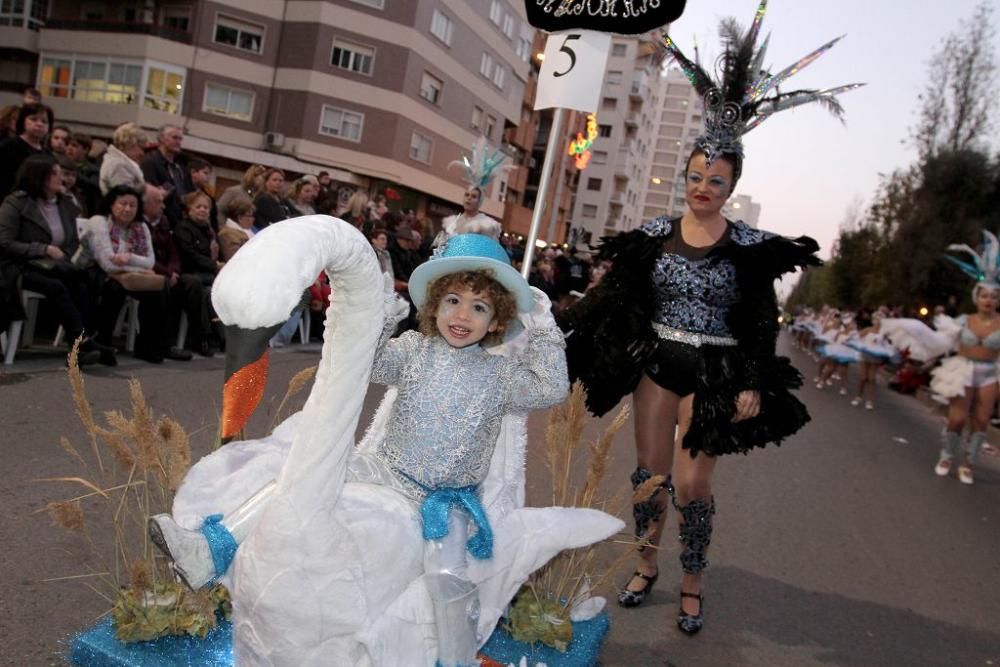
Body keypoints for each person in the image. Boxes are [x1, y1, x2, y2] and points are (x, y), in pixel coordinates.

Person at [147, 223, 619, 665]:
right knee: (294, 483)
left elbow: (551, 390)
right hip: (385, 470)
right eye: (453, 300)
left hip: (445, 501)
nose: (463, 316)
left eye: (480, 308)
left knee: (451, 585)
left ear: (496, 321)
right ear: (433, 305)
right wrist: (378, 325)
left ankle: (454, 657)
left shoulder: (500, 374)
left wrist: (544, 331)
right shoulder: (414, 350)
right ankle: (211, 546)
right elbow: (370, 365)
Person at [559, 4, 855, 634]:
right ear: (686, 177)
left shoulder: (748, 247)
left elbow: (760, 322)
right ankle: (646, 566)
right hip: (659, 366)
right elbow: (612, 298)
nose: (702, 188)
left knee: (693, 484)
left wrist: (752, 379)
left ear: (730, 184)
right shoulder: (654, 235)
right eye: (695, 177)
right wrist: (554, 323)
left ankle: (692, 580)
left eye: (715, 181)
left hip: (716, 369)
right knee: (650, 478)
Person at [0, 154, 104, 365]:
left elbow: (75, 240)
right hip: (18, 265)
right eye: (54, 174)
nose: (61, 178)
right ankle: (80, 342)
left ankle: (81, 345)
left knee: (82, 281)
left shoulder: (66, 205)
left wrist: (64, 256)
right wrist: (43, 249)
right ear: (39, 177)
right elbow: (5, 242)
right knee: (55, 286)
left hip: (55, 265)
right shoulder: (16, 202)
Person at [929, 231, 1000, 485]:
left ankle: (968, 463)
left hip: (990, 372)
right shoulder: (963, 321)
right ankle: (947, 455)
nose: (988, 300)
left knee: (981, 421)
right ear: (976, 298)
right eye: (984, 295)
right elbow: (942, 341)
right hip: (964, 370)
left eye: (993, 296)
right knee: (957, 418)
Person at [82, 185, 181, 364]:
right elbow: (107, 264)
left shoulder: (140, 227)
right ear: (112, 204)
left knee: (158, 288)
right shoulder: (99, 222)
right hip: (93, 272)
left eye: (132, 205)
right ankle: (102, 343)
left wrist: (129, 258)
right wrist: (140, 266)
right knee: (114, 287)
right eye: (123, 204)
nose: (128, 209)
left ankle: (148, 346)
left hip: (127, 276)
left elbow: (150, 261)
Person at [142, 183, 207, 358]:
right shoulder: (140, 224)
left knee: (192, 283)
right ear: (146, 204)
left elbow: (173, 253)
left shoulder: (163, 222)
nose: (163, 206)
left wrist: (173, 271)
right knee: (163, 285)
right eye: (159, 202)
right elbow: (146, 256)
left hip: (169, 272)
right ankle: (164, 343)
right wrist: (168, 273)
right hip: (149, 270)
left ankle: (197, 338)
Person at [0, 102, 53, 201]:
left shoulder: (48, 155)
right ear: (22, 121)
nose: (39, 124)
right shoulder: (7, 146)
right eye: (33, 119)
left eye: (44, 121)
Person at [141, 124, 191, 226]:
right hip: (161, 222)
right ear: (162, 139)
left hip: (180, 222)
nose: (178, 142)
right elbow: (151, 193)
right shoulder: (150, 163)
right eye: (174, 138)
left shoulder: (180, 167)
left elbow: (189, 191)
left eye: (180, 139)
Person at [174, 190, 223, 286]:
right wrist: (214, 265)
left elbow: (219, 254)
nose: (202, 210)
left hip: (210, 272)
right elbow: (190, 255)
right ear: (189, 209)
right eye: (198, 207)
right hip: (193, 272)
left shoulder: (211, 232)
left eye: (206, 207)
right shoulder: (183, 228)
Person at [99, 122, 147, 195]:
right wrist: (148, 190)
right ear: (130, 143)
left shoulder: (118, 161)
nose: (142, 153)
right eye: (141, 148)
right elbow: (125, 195)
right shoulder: (118, 165)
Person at [215, 164, 266, 229]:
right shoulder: (233, 191)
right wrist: (222, 226)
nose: (260, 178)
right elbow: (220, 209)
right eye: (256, 175)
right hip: (229, 230)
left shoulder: (256, 196)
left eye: (263, 177)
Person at [217, 196, 256, 261]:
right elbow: (235, 260)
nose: (253, 219)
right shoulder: (227, 235)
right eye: (250, 216)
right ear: (240, 218)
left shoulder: (248, 231)